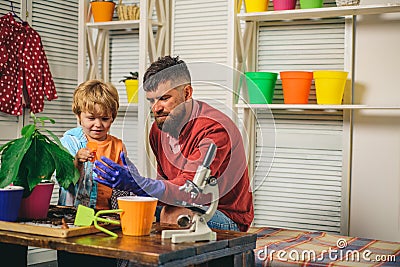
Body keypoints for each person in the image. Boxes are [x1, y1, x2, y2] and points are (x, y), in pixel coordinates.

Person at [94, 55, 254, 232]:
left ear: (187, 93)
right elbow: (165, 183)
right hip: (182, 204)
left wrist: (140, 185)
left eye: (164, 98)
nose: (156, 108)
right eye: (151, 100)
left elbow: (189, 187)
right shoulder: (158, 130)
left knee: (172, 215)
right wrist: (137, 192)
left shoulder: (215, 130)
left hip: (224, 214)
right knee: (127, 210)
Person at [57, 79, 130, 267]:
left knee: (104, 258)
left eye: (105, 118)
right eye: (91, 118)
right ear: (79, 116)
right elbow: (65, 179)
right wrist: (77, 160)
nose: (98, 124)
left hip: (106, 214)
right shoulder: (71, 140)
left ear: (113, 117)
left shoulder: (118, 145)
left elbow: (125, 182)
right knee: (75, 256)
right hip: (76, 213)